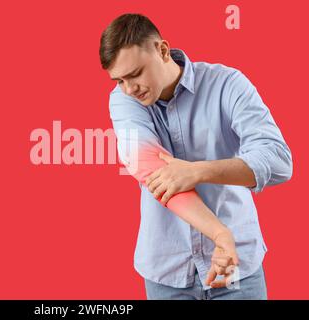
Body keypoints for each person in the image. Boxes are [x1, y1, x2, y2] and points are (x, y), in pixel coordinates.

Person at [99, 13, 293, 300]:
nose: (129, 88)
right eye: (119, 80)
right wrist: (219, 234)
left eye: (136, 74)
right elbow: (150, 168)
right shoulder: (124, 99)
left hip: (237, 269)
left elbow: (278, 160)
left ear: (162, 50)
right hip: (168, 274)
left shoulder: (228, 84)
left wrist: (199, 170)